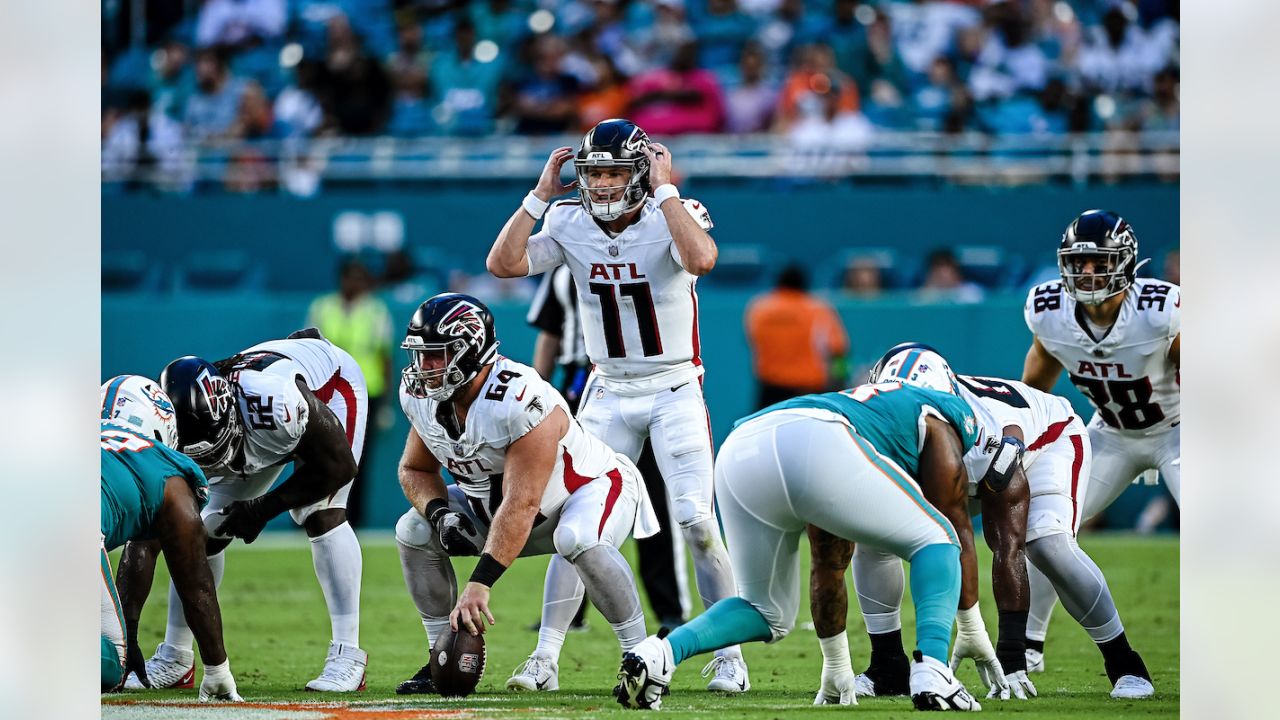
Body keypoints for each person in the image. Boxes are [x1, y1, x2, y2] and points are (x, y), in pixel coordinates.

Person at [485, 118, 749, 693]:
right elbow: (503, 266)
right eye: (594, 172)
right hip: (607, 388)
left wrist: (666, 189)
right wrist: (537, 196)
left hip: (675, 386)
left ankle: (728, 654)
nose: (601, 185)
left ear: (639, 173)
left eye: (613, 172)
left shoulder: (672, 212)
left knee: (698, 523)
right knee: (572, 525)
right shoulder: (567, 220)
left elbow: (702, 258)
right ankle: (545, 657)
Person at [615, 375, 986, 711]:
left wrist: (837, 662)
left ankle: (661, 652)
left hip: (742, 447)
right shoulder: (947, 407)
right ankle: (934, 670)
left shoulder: (869, 405)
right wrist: (972, 628)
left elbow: (828, 551)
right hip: (819, 440)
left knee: (765, 610)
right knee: (939, 537)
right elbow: (949, 506)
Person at [850, 343, 1154, 700]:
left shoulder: (988, 439)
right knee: (872, 537)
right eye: (895, 407)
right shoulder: (870, 420)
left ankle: (1125, 663)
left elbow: (1006, 544)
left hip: (1047, 442)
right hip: (960, 465)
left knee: (1047, 545)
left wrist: (1010, 653)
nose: (907, 419)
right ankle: (887, 666)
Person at [390, 294, 657, 694]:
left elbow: (523, 502)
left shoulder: (517, 399)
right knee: (412, 530)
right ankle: (438, 656)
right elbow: (414, 469)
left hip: (588, 488)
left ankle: (642, 659)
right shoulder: (423, 397)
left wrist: (480, 582)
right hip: (501, 507)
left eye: (437, 355)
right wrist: (439, 514)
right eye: (422, 355)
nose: (425, 369)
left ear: (470, 351)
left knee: (576, 537)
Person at [123, 330, 369, 692]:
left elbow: (339, 467)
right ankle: (176, 657)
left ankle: (348, 654)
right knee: (193, 531)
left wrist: (261, 509)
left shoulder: (273, 400)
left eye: (209, 449)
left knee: (321, 512)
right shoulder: (167, 429)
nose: (207, 463)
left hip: (327, 393)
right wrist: (127, 639)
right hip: (255, 430)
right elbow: (143, 539)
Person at [803, 344, 1031, 704]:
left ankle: (930, 664)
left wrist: (973, 627)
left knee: (1036, 542)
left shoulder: (979, 428)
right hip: (883, 465)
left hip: (990, 469)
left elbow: (958, 527)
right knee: (871, 541)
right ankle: (889, 664)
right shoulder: (859, 422)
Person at [1021, 209, 1179, 676]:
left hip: (1178, 431)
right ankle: (1029, 643)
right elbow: (1034, 392)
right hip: (1110, 433)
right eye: (1078, 262)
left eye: (1099, 262)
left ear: (1126, 262)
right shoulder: (1050, 314)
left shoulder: (1159, 309)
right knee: (1044, 529)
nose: (1087, 273)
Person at [527, 265, 691, 633]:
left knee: (651, 498)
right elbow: (550, 332)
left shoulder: (639, 257)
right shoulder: (561, 268)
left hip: (632, 384)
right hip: (577, 387)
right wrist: (539, 389)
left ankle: (670, 609)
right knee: (573, 501)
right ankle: (569, 613)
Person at [100, 376, 240, 701]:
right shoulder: (166, 472)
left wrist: (130, 635)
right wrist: (218, 671)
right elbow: (196, 584)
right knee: (107, 664)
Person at [306, 258, 394, 527]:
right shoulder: (322, 307)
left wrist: (387, 405)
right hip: (325, 394)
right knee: (317, 454)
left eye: (361, 278)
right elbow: (307, 350)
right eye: (351, 277)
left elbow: (385, 358)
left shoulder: (376, 311)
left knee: (358, 460)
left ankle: (352, 519)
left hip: (366, 394)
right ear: (341, 279)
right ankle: (312, 513)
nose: (356, 283)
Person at [744, 263, 849, 408]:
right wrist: (840, 384)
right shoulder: (818, 309)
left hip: (769, 391)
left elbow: (751, 340)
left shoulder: (759, 308)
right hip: (807, 391)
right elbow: (838, 349)